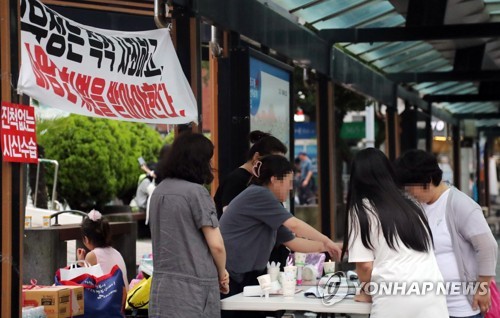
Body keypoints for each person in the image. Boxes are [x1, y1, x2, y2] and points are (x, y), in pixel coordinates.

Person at [220, 155, 342, 306]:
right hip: (230, 276)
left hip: (244, 276)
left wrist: (330, 246)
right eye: (289, 182)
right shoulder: (260, 194)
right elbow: (295, 225)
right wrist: (326, 240)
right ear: (274, 179)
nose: (291, 188)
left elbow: (293, 242)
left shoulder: (268, 204)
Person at [342, 148, 448, 318]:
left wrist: (367, 292)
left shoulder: (361, 209)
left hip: (395, 296)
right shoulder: (411, 204)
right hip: (432, 293)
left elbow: (364, 265)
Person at [395, 149, 498, 318]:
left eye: (410, 187)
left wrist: (483, 287)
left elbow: (488, 247)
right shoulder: (420, 207)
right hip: (432, 307)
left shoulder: (460, 205)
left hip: (462, 307)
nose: (409, 193)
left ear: (427, 181)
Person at [148, 132, 229, 318]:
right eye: (208, 160)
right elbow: (216, 246)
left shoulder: (159, 191)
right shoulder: (196, 193)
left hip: (162, 288)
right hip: (194, 289)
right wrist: (222, 273)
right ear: (199, 161)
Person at [214, 130, 290, 270]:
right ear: (256, 159)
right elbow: (231, 219)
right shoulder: (237, 181)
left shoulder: (263, 186)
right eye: (275, 162)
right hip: (240, 264)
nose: (279, 169)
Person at [214, 130, 287, 218]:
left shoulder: (262, 180)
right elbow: (230, 216)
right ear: (256, 157)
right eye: (275, 163)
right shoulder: (236, 181)